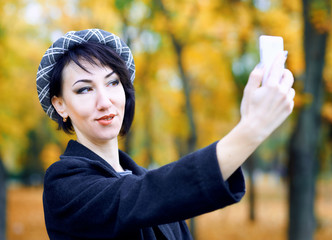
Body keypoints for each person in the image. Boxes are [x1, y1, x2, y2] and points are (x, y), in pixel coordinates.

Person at [36, 29, 295, 240]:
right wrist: (251, 129)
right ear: (60, 105)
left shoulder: (143, 178)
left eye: (113, 83)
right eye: (84, 90)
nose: (105, 101)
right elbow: (144, 195)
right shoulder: (64, 184)